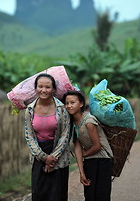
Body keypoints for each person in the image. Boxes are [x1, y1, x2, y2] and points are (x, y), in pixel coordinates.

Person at [25, 73, 70, 201]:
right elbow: (29, 136)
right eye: (40, 86)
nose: (43, 90)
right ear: (36, 88)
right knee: (39, 193)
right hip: (38, 154)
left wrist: (53, 157)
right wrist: (44, 158)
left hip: (58, 153)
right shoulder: (30, 110)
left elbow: (65, 134)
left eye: (47, 87)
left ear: (53, 89)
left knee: (57, 194)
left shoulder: (62, 109)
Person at [63, 90, 113, 201]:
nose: (69, 106)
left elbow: (97, 146)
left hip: (103, 159)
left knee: (102, 195)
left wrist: (84, 154)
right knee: (89, 195)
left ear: (81, 104)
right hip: (90, 160)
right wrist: (81, 172)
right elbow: (77, 147)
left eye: (72, 102)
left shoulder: (89, 121)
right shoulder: (72, 123)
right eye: (66, 103)